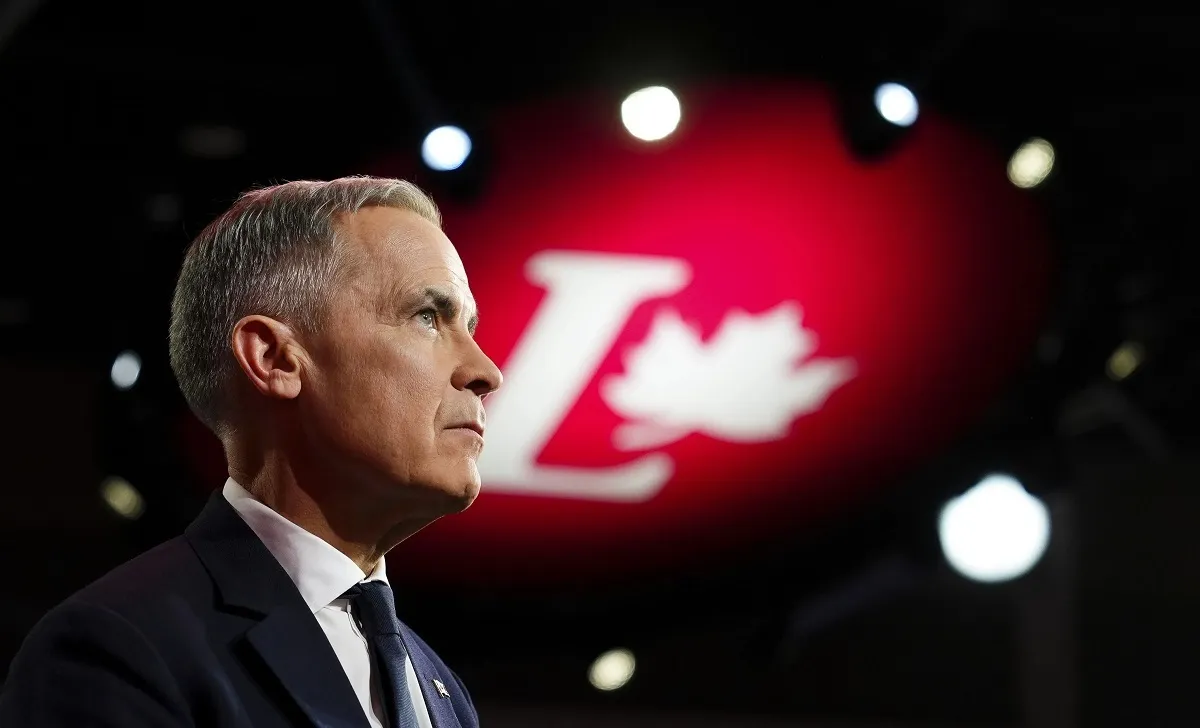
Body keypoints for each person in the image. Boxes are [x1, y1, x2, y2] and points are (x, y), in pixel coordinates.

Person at [0, 176, 503, 728]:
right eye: (427, 317)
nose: (485, 371)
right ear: (274, 358)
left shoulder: (440, 690)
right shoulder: (119, 649)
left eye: (469, 326)